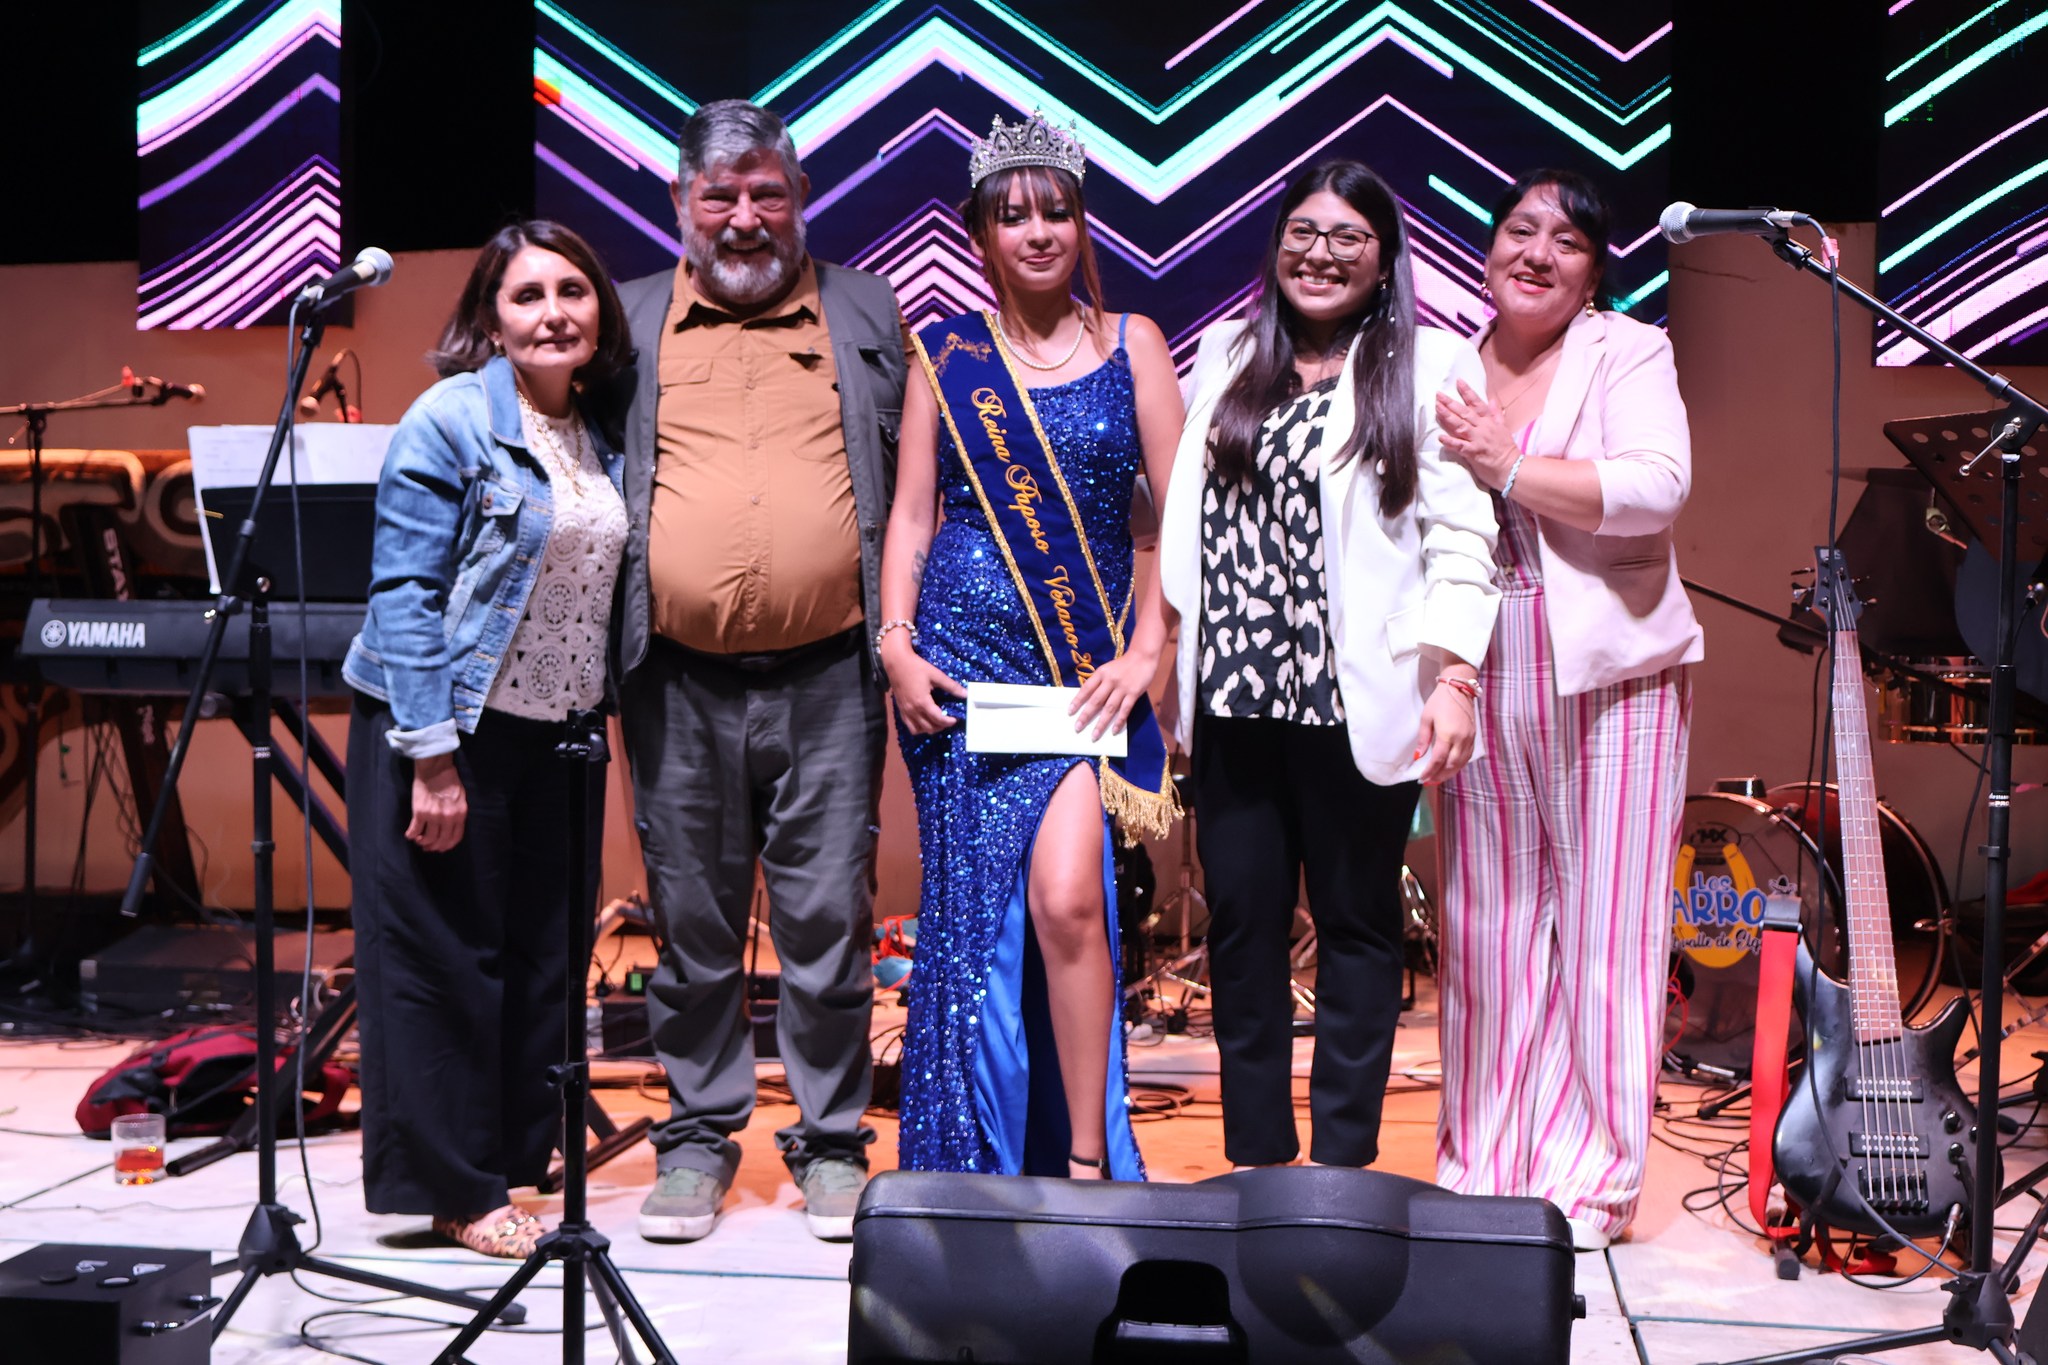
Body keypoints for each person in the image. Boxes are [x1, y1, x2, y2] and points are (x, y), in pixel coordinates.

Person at [1158, 159, 1500, 1172]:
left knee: (1358, 932)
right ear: (1274, 249)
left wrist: (1454, 677)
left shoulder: (1430, 365)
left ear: (1383, 257)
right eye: (1302, 232)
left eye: (1347, 236)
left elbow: (1460, 537)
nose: (1320, 253)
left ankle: (1343, 1165)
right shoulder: (1223, 354)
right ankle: (1260, 1162)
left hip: (1356, 699)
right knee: (1242, 933)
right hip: (1231, 697)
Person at [613, 100, 908, 1242]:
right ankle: (695, 1142)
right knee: (688, 925)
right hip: (673, 679)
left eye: (766, 193)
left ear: (801, 199)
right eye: (719, 195)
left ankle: (831, 1145)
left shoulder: (864, 307)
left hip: (832, 674)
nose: (745, 217)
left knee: (830, 922)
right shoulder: (629, 318)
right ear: (679, 206)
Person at [879, 112, 1184, 1180]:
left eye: (1055, 210)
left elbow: (1171, 521)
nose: (1038, 231)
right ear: (980, 236)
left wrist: (1147, 650)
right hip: (957, 677)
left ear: (1082, 223)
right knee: (971, 930)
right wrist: (896, 647)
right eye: (1013, 216)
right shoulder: (944, 357)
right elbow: (912, 520)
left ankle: (1088, 1165)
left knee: (1064, 899)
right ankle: (974, 1163)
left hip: (1073, 675)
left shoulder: (1132, 343)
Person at [342, 220, 631, 1257]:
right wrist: (428, 755)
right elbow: (405, 595)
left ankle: (514, 1162)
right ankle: (456, 1191)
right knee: (444, 961)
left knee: (540, 960)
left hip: (556, 733)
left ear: (600, 306)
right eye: (526, 296)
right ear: (489, 317)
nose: (553, 312)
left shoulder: (602, 423)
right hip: (445, 728)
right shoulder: (450, 421)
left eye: (572, 290)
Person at [1432, 168, 1703, 1251]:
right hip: (1479, 657)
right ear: (1488, 248)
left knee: (1604, 931)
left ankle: (1591, 1182)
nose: (1536, 251)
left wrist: (1511, 464)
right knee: (1485, 923)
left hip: (1611, 665)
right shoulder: (1446, 364)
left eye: (1568, 240)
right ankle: (1482, 1161)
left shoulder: (1626, 350)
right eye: (1517, 229)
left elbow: (1655, 484)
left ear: (1595, 272)